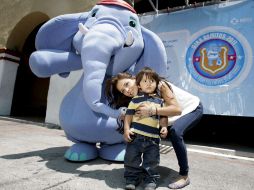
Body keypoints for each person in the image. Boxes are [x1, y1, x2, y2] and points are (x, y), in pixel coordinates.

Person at [105, 67, 203, 189]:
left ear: (134, 78)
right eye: (123, 90)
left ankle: (184, 176)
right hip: (167, 116)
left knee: (175, 132)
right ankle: (137, 172)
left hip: (191, 108)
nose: (127, 90)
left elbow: (177, 110)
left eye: (127, 84)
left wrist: (152, 110)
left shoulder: (160, 85)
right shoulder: (137, 97)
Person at [123, 68, 168, 190]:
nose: (149, 83)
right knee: (131, 159)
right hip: (136, 136)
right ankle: (132, 178)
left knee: (152, 161)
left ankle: (150, 180)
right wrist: (126, 130)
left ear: (156, 83)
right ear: (139, 85)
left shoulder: (160, 101)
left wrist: (164, 126)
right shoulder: (135, 100)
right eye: (145, 81)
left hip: (153, 138)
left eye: (152, 81)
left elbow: (163, 116)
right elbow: (128, 116)